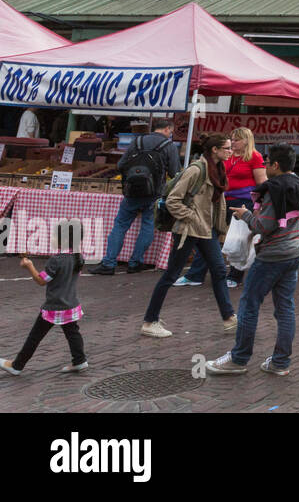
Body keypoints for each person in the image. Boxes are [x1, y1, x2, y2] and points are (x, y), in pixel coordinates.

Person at [204, 144, 299, 376]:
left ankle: (239, 358)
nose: (263, 166)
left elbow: (264, 225)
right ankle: (280, 362)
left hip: (272, 256)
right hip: (294, 252)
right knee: (285, 308)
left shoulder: (275, 190)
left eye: (267, 162)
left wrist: (246, 216)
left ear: (275, 165)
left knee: (249, 305)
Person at [140, 134, 237, 338]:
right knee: (171, 275)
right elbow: (173, 200)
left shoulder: (218, 170)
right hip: (189, 230)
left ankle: (229, 318)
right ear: (215, 150)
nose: (231, 151)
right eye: (227, 148)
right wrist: (191, 217)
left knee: (219, 270)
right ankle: (150, 321)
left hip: (205, 230)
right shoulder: (196, 170)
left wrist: (219, 228)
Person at [88, 118, 181, 276]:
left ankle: (109, 263)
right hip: (154, 192)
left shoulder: (137, 142)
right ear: (166, 129)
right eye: (170, 132)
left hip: (132, 192)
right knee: (147, 226)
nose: (170, 134)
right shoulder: (169, 146)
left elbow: (120, 165)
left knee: (120, 225)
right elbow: (175, 173)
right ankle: (135, 262)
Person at [177, 126, 266, 288]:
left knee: (239, 239)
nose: (233, 142)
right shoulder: (227, 156)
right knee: (208, 235)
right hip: (222, 200)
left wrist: (258, 206)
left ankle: (235, 276)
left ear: (246, 140)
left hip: (243, 202)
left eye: (236, 140)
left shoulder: (255, 157)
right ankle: (196, 274)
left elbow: (262, 182)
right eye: (232, 139)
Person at [1, 232, 88, 376]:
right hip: (70, 304)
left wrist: (29, 265)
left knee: (35, 336)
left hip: (54, 306)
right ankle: (79, 360)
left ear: (64, 240)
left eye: (55, 235)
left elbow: (42, 280)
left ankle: (17, 365)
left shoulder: (57, 260)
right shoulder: (78, 257)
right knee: (73, 333)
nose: (51, 237)